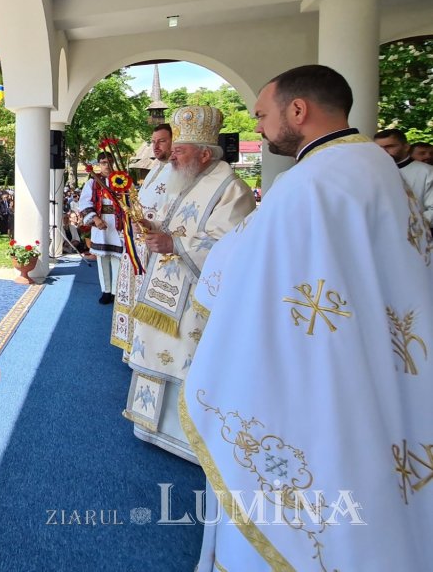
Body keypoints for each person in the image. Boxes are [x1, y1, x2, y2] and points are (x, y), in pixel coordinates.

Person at [183, 65, 433, 571]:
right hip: (383, 363)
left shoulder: (307, 184)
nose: (256, 127)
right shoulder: (381, 169)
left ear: (298, 110)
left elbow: (239, 271)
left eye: (261, 114)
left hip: (324, 374)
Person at [124, 106, 255, 462]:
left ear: (205, 153)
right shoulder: (184, 179)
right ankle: (149, 424)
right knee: (157, 344)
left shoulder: (232, 190)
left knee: (185, 354)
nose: (173, 156)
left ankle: (185, 437)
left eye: (179, 150)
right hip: (164, 283)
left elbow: (232, 247)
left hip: (195, 293)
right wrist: (153, 230)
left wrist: (175, 244)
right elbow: (170, 223)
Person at [112, 123, 173, 356]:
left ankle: (146, 351)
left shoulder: (178, 171)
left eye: (162, 141)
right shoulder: (155, 169)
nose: (155, 147)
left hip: (156, 246)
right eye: (154, 142)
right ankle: (134, 347)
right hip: (138, 244)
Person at [76, 151, 125, 304]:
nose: (107, 165)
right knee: (102, 259)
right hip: (101, 223)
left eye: (110, 162)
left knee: (117, 259)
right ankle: (106, 290)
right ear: (99, 164)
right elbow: (84, 203)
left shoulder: (122, 180)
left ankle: (117, 291)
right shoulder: (92, 182)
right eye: (103, 162)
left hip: (118, 225)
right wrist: (96, 219)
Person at [373, 127, 433, 232]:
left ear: (406, 147)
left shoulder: (427, 172)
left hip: (414, 235)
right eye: (379, 148)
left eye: (390, 146)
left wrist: (412, 228)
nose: (384, 151)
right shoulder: (371, 171)